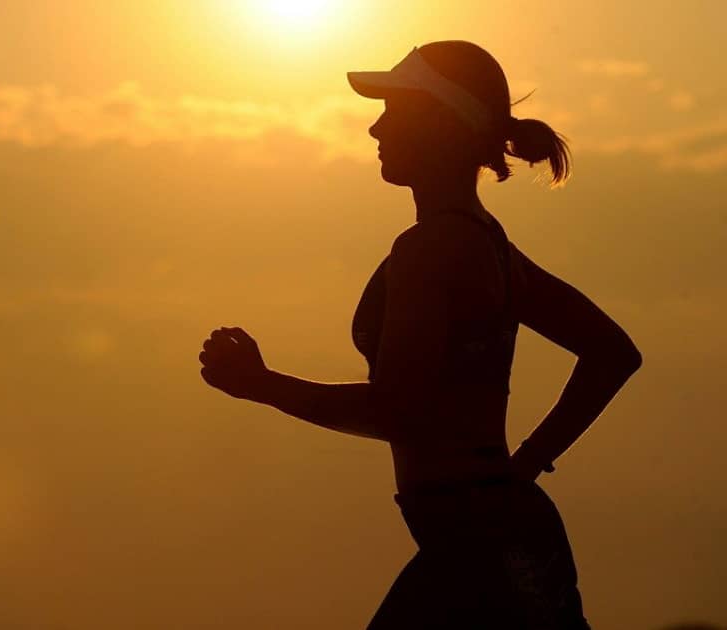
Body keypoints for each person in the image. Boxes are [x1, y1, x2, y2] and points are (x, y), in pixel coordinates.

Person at [197, 40, 643, 628]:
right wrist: (525, 463)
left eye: (394, 110)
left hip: (478, 551)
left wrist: (263, 385)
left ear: (442, 122)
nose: (374, 129)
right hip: (496, 537)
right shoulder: (489, 245)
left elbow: (399, 411)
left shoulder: (431, 249)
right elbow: (613, 353)